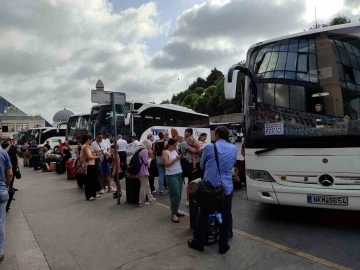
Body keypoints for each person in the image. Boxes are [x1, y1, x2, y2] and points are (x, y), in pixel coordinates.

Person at [188, 126, 237, 255]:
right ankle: (223, 245)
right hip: (226, 188)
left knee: (203, 214)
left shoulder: (210, 147)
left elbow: (202, 165)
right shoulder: (233, 148)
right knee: (226, 216)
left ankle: (199, 242)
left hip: (210, 188)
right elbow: (231, 165)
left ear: (217, 135)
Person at [162, 138, 185, 223]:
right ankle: (173, 214)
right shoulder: (165, 152)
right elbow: (166, 164)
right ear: (170, 144)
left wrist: (180, 157)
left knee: (179, 194)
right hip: (171, 175)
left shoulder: (175, 151)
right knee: (175, 194)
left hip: (179, 173)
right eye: (175, 145)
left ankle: (176, 210)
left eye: (177, 145)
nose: (176, 146)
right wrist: (176, 158)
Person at [180, 128, 201, 207]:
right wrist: (198, 149)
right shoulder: (184, 143)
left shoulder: (193, 141)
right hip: (189, 164)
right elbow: (195, 151)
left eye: (186, 132)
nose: (192, 140)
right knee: (190, 182)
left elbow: (198, 149)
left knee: (197, 181)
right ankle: (188, 199)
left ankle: (196, 197)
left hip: (197, 163)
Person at [0, 146, 13, 262]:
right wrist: (7, 186)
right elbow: (9, 174)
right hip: (1, 191)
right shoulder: (3, 153)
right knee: (0, 222)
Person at [80, 135, 101, 201]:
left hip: (91, 164)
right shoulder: (86, 147)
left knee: (93, 180)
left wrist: (97, 153)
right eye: (91, 140)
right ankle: (89, 195)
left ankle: (93, 194)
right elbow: (89, 156)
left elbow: (92, 154)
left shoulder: (87, 146)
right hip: (89, 165)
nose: (91, 141)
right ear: (88, 140)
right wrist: (97, 157)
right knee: (89, 181)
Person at [136, 139, 156, 207]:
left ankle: (150, 198)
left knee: (146, 185)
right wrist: (150, 160)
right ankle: (141, 201)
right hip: (143, 170)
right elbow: (146, 162)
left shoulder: (138, 149)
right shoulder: (144, 150)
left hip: (138, 170)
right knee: (144, 186)